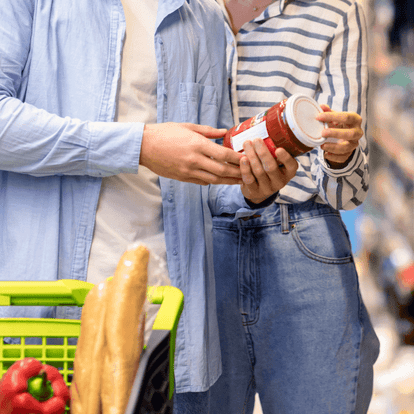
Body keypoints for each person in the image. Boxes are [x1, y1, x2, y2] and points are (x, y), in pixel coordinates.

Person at [0, 0, 299, 401]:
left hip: (163, 318)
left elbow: (208, 179)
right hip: (47, 312)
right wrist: (137, 145)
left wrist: (252, 188)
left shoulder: (203, 18)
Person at [173, 0, 381, 413]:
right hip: (196, 243)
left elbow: (349, 194)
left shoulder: (335, 11)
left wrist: (341, 155)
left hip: (303, 242)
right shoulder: (177, 10)